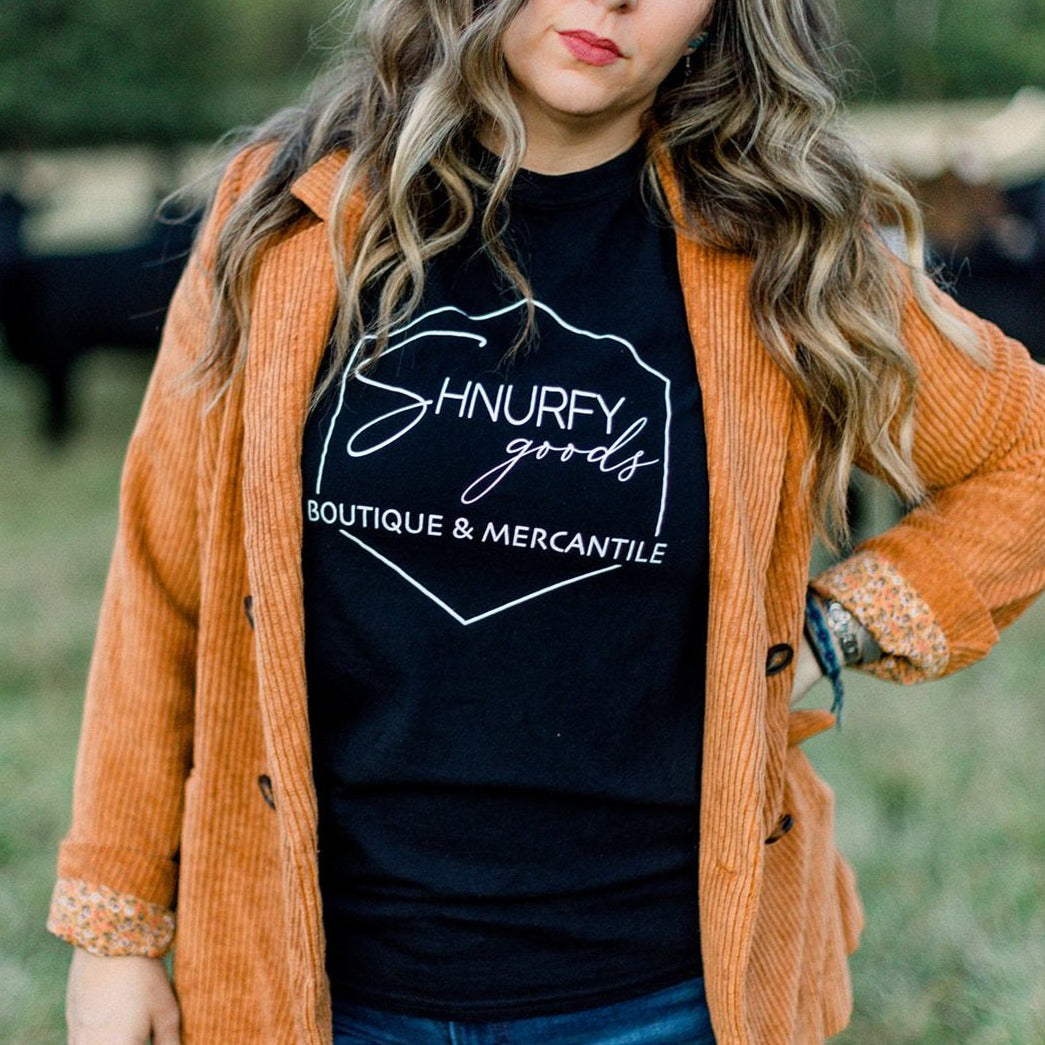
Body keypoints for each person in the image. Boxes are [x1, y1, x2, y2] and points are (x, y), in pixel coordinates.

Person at [47, 1, 1045, 1043]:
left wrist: (828, 634)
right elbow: (162, 582)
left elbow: (1024, 455)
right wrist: (114, 935)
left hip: (663, 995)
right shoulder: (289, 217)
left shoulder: (784, 246)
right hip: (316, 984)